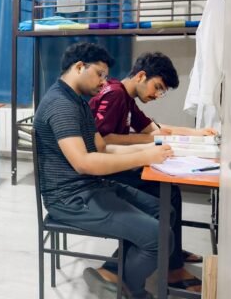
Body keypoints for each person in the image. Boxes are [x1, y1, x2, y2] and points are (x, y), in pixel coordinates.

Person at [34, 42, 173, 299]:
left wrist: (151, 151)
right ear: (79, 67)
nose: (104, 82)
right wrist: (144, 155)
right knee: (159, 235)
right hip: (70, 199)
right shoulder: (60, 104)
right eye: (100, 74)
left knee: (164, 210)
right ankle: (129, 289)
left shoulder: (78, 102)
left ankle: (112, 275)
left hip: (91, 187)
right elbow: (84, 163)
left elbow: (102, 147)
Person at [87, 52, 216, 293]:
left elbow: (156, 129)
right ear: (141, 76)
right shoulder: (115, 94)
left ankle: (171, 254)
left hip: (115, 164)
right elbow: (102, 140)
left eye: (161, 91)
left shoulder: (126, 98)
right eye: (157, 87)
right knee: (164, 194)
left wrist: (195, 133)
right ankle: (169, 264)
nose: (157, 95)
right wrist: (148, 141)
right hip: (102, 171)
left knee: (170, 191)